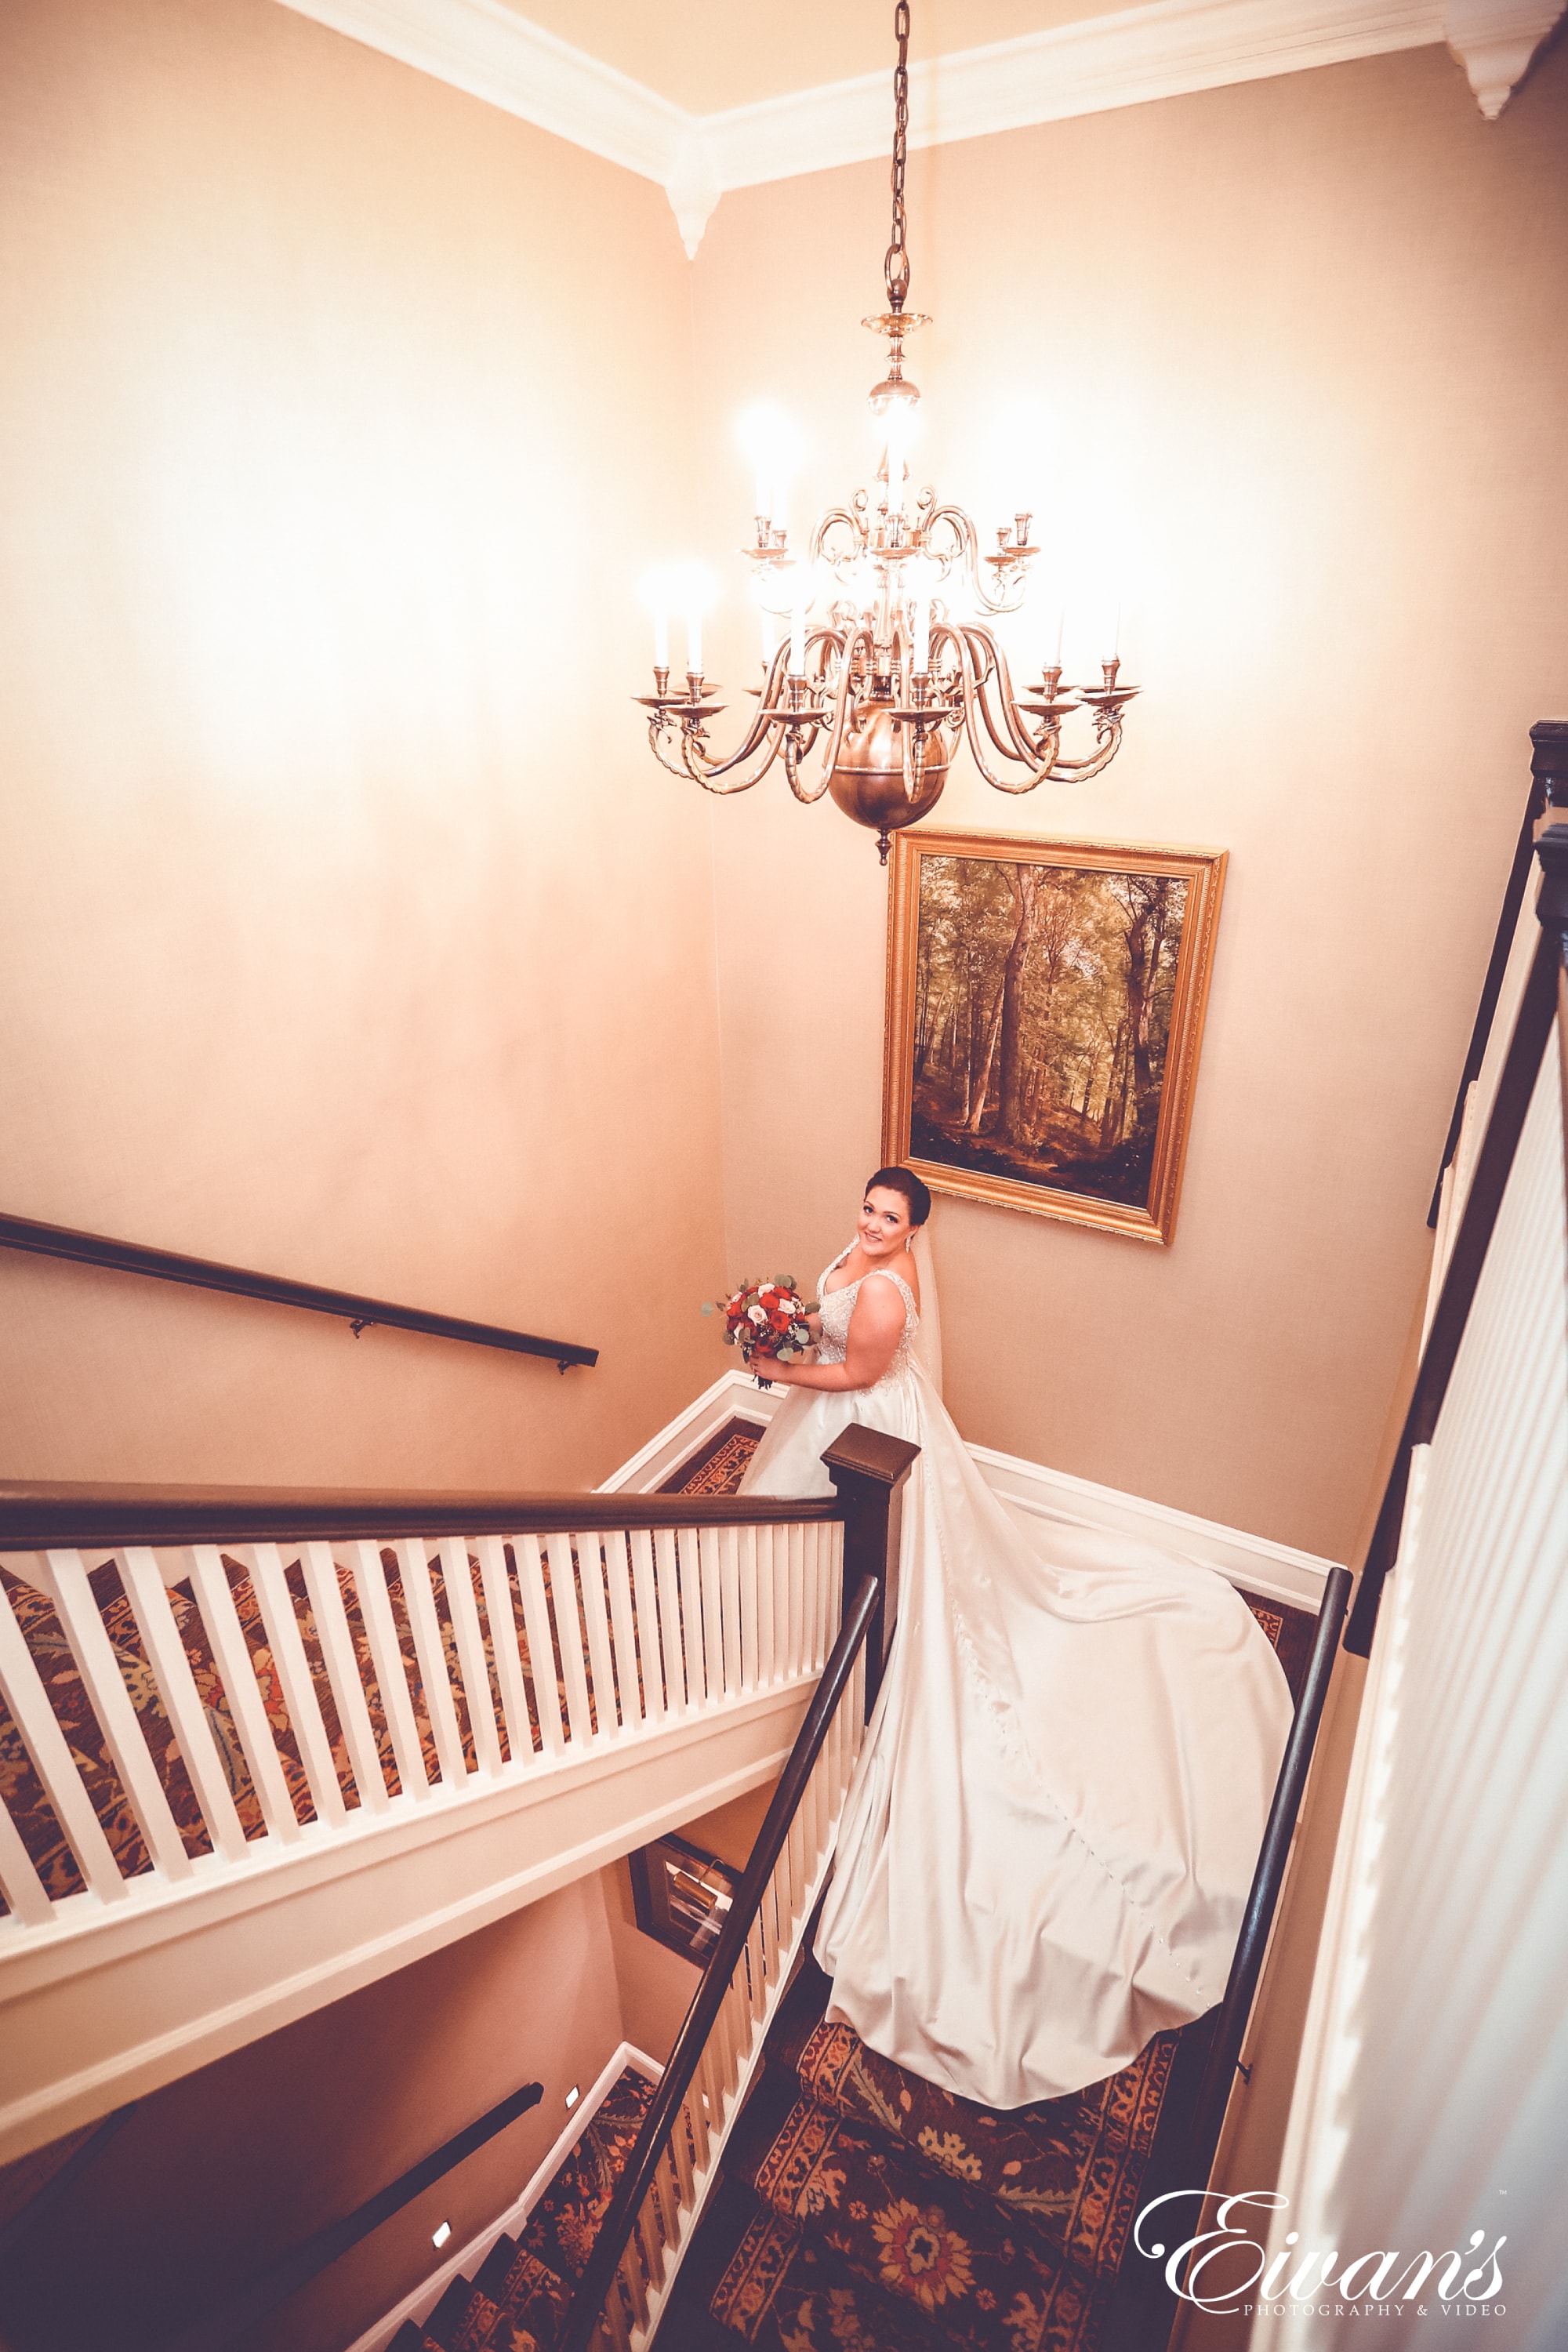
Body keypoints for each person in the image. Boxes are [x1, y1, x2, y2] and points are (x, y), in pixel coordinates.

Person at [739, 1165, 1294, 2111]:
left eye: (891, 1220)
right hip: (836, 1418)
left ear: (915, 1232)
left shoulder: (884, 1286)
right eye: (868, 1211)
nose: (873, 1228)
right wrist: (779, 1321)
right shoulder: (859, 1255)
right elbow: (824, 1323)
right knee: (790, 1536)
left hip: (864, 1419)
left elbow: (857, 1371)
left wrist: (773, 1366)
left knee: (879, 1548)